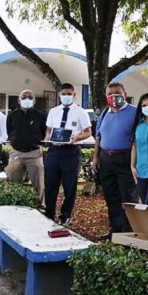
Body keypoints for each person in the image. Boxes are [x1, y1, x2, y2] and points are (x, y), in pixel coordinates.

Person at [92, 82, 139, 240]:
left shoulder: (135, 112)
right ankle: (115, 230)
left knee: (128, 197)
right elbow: (98, 137)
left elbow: (137, 140)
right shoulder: (105, 113)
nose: (114, 96)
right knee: (111, 196)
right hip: (106, 159)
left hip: (125, 158)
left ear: (125, 94)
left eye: (117, 93)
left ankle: (128, 233)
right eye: (110, 94)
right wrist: (95, 158)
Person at [44, 83, 92, 225]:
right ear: (59, 95)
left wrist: (76, 138)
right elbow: (49, 129)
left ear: (74, 94)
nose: (66, 96)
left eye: (69, 94)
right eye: (63, 94)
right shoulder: (53, 111)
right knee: (50, 184)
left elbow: (88, 131)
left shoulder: (80, 112)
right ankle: (49, 213)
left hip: (71, 152)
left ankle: (65, 215)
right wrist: (47, 137)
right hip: (54, 150)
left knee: (69, 186)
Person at [5, 89, 48, 208]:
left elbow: (45, 132)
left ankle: (40, 206)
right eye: (24, 97)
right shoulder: (12, 115)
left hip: (34, 154)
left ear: (34, 100)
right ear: (19, 100)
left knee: (38, 183)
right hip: (16, 154)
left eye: (30, 97)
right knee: (13, 182)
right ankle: (14, 206)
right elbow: (9, 131)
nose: (27, 99)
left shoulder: (41, 115)